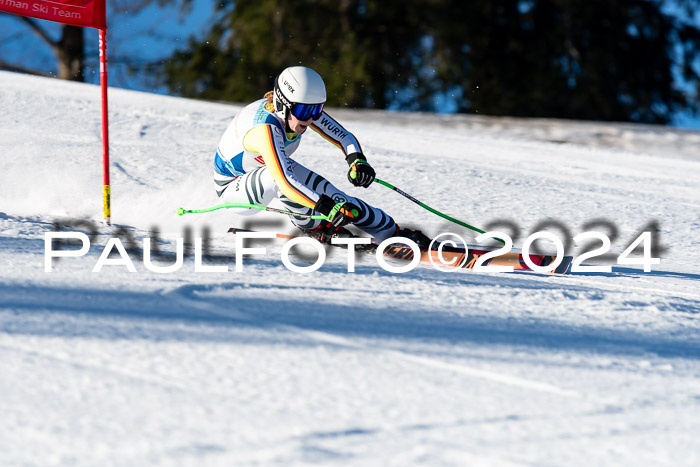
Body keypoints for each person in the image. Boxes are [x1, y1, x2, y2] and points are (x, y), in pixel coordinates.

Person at [213, 65, 429, 248]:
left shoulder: (298, 109)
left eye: (317, 110)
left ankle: (391, 232)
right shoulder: (264, 128)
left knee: (334, 196)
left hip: (268, 172)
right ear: (282, 105)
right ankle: (314, 228)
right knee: (285, 181)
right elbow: (285, 183)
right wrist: (324, 208)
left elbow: (343, 137)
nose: (311, 119)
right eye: (306, 113)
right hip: (233, 189)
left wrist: (356, 160)